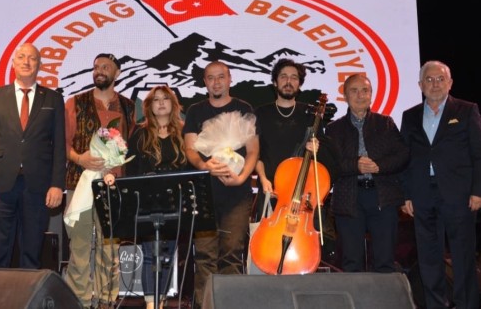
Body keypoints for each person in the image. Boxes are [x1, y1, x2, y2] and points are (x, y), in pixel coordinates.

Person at [401, 60, 481, 309]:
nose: (435, 84)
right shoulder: (410, 116)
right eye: (429, 80)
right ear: (420, 85)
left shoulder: (467, 110)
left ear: (450, 83)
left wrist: (479, 190)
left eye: (440, 79)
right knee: (429, 259)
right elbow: (405, 157)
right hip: (422, 194)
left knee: (462, 256)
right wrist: (406, 194)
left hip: (459, 195)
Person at [0, 43, 66, 268]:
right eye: (22, 57)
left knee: (32, 253)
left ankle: (29, 292)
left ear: (39, 65)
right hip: (0, 185)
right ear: (14, 63)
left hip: (38, 186)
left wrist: (57, 184)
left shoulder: (53, 99)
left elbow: (59, 146)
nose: (26, 62)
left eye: (32, 58)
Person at [183, 61, 259, 307]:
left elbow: (253, 151)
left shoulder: (243, 108)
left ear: (230, 79)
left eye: (221, 77)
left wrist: (242, 177)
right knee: (204, 255)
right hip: (203, 193)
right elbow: (190, 149)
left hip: (237, 195)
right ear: (204, 82)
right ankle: (204, 304)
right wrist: (204, 166)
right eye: (211, 78)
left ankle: (230, 304)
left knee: (232, 253)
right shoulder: (195, 111)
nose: (216, 82)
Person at [64, 53, 136, 309]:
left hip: (115, 186)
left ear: (117, 73)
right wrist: (79, 158)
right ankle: (79, 301)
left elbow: (131, 145)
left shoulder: (128, 106)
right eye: (96, 67)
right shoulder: (75, 102)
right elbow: (63, 143)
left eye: (106, 67)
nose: (100, 71)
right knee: (80, 247)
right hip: (79, 184)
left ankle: (107, 301)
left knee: (110, 248)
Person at [324, 73, 409, 273]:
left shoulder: (386, 123)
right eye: (354, 91)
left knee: (385, 261)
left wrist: (379, 166)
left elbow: (403, 155)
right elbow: (330, 165)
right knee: (351, 262)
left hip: (383, 198)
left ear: (371, 94)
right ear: (345, 95)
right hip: (348, 198)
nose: (360, 95)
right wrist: (356, 166)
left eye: (365, 90)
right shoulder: (333, 129)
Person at [125, 85, 189, 309]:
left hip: (175, 203)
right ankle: (151, 305)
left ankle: (161, 303)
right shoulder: (139, 134)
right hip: (148, 203)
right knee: (150, 254)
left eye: (165, 98)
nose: (161, 103)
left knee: (168, 255)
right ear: (149, 106)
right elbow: (131, 171)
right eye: (156, 99)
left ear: (173, 104)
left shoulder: (184, 133)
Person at [253, 58, 333, 218]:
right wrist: (263, 179)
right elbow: (255, 154)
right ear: (275, 82)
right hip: (270, 190)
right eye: (283, 76)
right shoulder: (260, 113)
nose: (288, 81)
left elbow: (323, 158)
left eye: (294, 77)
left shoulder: (312, 115)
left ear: (299, 84)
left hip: (302, 194)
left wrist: (317, 148)